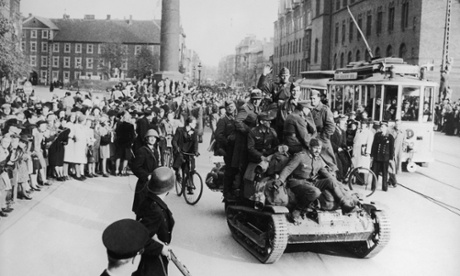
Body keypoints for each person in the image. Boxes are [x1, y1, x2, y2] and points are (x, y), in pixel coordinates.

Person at [276, 138, 356, 224]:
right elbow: (288, 168)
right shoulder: (301, 156)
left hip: (310, 183)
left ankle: (343, 203)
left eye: (319, 148)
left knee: (330, 181)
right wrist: (280, 180)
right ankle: (297, 211)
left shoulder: (318, 160)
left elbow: (326, 173)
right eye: (315, 148)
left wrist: (338, 184)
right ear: (309, 147)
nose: (317, 150)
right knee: (315, 192)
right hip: (297, 183)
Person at [134, 167, 175, 276]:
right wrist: (161, 248)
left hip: (154, 255)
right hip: (154, 259)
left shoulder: (149, 201)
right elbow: (141, 238)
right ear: (169, 189)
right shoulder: (155, 210)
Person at [131, 129, 159, 214]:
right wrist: (146, 175)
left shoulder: (155, 151)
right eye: (150, 137)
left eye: (154, 137)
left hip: (152, 184)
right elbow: (136, 167)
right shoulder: (142, 151)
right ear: (146, 139)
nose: (152, 139)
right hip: (143, 185)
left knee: (151, 210)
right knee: (141, 210)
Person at [309, 89, 337, 172]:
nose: (312, 100)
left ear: (319, 99)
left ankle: (333, 180)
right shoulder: (310, 109)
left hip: (322, 138)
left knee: (328, 161)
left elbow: (331, 126)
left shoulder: (324, 109)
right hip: (312, 137)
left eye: (314, 98)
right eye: (311, 98)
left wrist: (323, 137)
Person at [214, 100, 237, 199]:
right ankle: (227, 192)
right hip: (228, 149)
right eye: (228, 107)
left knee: (236, 169)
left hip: (237, 149)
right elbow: (218, 135)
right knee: (229, 170)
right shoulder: (223, 120)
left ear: (235, 107)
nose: (230, 108)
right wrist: (227, 142)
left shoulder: (236, 118)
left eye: (232, 106)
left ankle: (234, 189)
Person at [172, 116, 199, 194]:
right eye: (194, 123)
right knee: (180, 163)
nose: (195, 125)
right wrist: (176, 147)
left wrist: (196, 151)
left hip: (189, 152)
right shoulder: (180, 130)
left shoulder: (195, 132)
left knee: (191, 168)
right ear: (189, 123)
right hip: (180, 151)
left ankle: (190, 186)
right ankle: (178, 174)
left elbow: (195, 143)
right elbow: (174, 140)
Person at [370, 121, 395, 191]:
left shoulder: (390, 137)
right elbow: (374, 146)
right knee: (375, 172)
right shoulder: (377, 135)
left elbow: (392, 149)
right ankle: (373, 187)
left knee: (385, 173)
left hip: (385, 158)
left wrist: (391, 158)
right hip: (377, 157)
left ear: (386, 127)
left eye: (383, 127)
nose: (381, 128)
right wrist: (372, 155)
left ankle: (384, 187)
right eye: (381, 127)